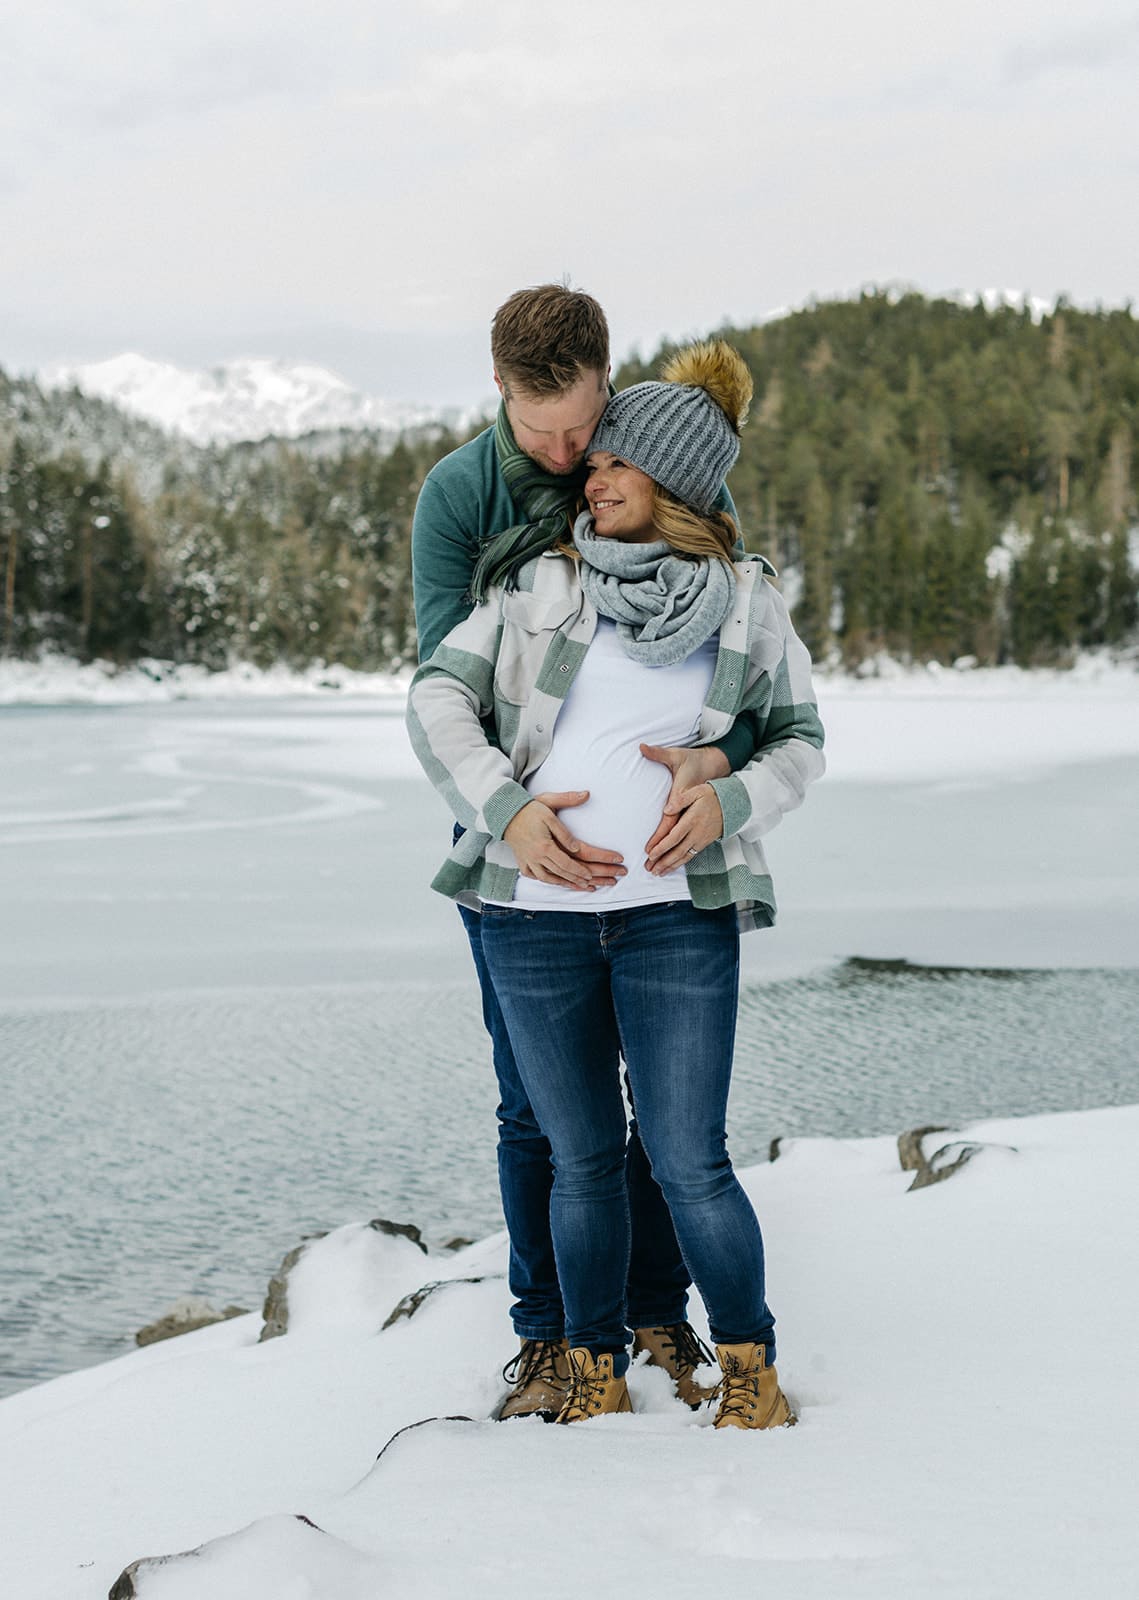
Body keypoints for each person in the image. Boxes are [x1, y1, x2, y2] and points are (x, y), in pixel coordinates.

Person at [407, 340, 825, 1426]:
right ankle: (585, 1364)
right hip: (532, 921)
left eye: (613, 467)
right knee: (580, 1158)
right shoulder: (542, 583)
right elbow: (433, 699)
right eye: (588, 467)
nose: (586, 476)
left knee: (688, 1160)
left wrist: (728, 793)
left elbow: (797, 738)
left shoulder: (741, 603)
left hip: (672, 922)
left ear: (675, 487)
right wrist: (508, 808)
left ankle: (748, 1370)